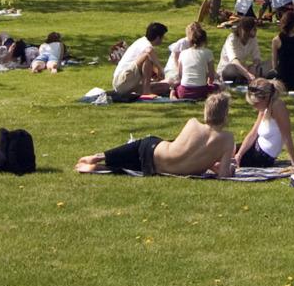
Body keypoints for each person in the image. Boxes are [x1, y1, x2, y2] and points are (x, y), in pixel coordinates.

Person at [77, 92, 239, 177]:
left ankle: (100, 157)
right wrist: (227, 168)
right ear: (225, 114)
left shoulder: (193, 124)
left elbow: (184, 149)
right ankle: (100, 167)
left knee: (141, 145)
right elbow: (223, 174)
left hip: (157, 154)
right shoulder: (227, 139)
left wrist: (209, 162)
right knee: (136, 165)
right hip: (166, 170)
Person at [112, 22, 171, 101]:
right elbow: (148, 51)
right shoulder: (145, 44)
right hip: (121, 81)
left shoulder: (143, 43)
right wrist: (160, 69)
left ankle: (143, 91)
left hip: (130, 85)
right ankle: (146, 92)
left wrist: (155, 74)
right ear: (158, 37)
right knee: (147, 57)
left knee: (165, 87)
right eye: (162, 37)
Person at [166, 22, 218, 100]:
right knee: (217, 87)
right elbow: (211, 76)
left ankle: (173, 95)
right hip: (201, 92)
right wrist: (208, 84)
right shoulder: (208, 52)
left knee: (174, 88)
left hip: (183, 92)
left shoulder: (183, 53)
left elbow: (180, 75)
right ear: (205, 40)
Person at [218, 14, 266, 86]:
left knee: (265, 66)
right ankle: (243, 79)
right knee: (231, 71)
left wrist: (254, 66)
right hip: (229, 68)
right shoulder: (232, 39)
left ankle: (246, 79)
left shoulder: (253, 39)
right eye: (254, 29)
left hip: (243, 69)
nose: (256, 31)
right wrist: (247, 74)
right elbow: (234, 61)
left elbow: (257, 57)